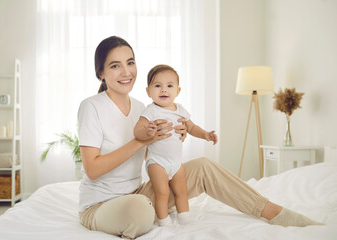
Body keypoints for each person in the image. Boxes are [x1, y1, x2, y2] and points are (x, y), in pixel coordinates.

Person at [78, 36, 322, 239]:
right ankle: (142, 213)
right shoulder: (92, 107)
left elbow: (147, 156)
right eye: (115, 65)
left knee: (203, 166)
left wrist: (172, 137)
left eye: (130, 63)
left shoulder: (144, 105)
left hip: (139, 193)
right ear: (101, 72)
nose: (126, 71)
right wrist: (142, 141)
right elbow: (92, 169)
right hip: (101, 206)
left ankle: (272, 211)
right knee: (140, 210)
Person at [133, 64, 218, 227]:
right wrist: (147, 131)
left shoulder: (181, 110)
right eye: (157, 86)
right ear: (148, 91)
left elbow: (192, 127)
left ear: (178, 91)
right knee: (162, 192)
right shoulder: (151, 110)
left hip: (176, 162)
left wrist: (205, 134)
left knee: (181, 191)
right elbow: (137, 130)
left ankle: (184, 217)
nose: (164, 90)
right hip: (157, 161)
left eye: (169, 86)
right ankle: (164, 220)